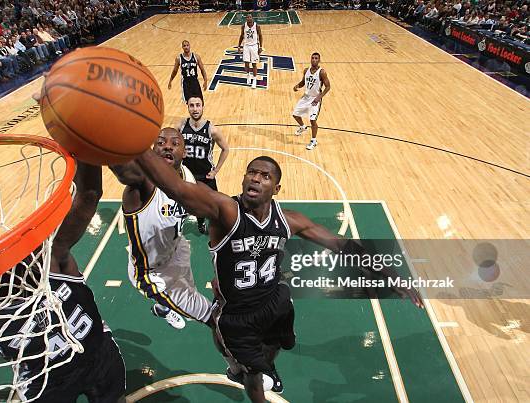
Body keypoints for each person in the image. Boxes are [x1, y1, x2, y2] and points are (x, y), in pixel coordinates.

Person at [132, 136, 424, 402]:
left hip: (274, 299)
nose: (256, 178)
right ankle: (246, 371)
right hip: (238, 314)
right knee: (253, 378)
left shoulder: (289, 220)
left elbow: (342, 245)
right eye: (251, 172)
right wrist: (135, 143)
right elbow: (177, 188)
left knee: (276, 345)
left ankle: (266, 363)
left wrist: (390, 275)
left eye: (265, 175)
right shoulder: (225, 210)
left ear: (276, 187)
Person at [0, 162, 127, 403]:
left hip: (98, 354)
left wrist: (84, 146)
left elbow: (89, 195)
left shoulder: (49, 259)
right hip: (45, 384)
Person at [109, 129, 213, 330]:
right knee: (212, 317)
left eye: (175, 143)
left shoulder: (187, 175)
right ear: (152, 151)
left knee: (189, 289)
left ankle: (166, 307)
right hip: (151, 271)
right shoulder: (142, 184)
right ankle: (168, 306)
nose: (167, 146)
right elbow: (123, 169)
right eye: (160, 142)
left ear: (185, 153)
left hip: (176, 249)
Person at [179, 96, 229, 234]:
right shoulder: (181, 126)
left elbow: (226, 149)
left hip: (206, 175)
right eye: (192, 105)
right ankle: (200, 223)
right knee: (192, 204)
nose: (195, 109)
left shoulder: (212, 129)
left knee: (215, 204)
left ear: (202, 107)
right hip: (188, 175)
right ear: (188, 107)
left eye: (198, 105)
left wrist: (216, 171)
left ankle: (219, 227)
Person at [292, 52, 330, 150]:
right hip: (306, 96)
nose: (314, 60)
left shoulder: (322, 72)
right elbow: (303, 82)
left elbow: (328, 86)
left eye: (316, 58)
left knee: (313, 120)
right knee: (295, 114)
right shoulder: (306, 71)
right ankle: (303, 127)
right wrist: (297, 86)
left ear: (319, 60)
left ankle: (313, 141)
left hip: (315, 99)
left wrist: (319, 97)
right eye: (312, 58)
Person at [237, 14, 263, 89]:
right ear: (246, 19)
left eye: (250, 17)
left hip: (254, 46)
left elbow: (260, 36)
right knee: (246, 63)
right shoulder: (243, 26)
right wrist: (239, 46)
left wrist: (260, 46)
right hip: (246, 46)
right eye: (247, 17)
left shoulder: (257, 26)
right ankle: (248, 75)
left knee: (254, 64)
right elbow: (241, 36)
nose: (249, 18)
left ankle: (254, 80)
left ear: (252, 18)